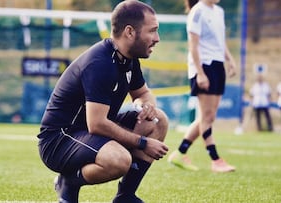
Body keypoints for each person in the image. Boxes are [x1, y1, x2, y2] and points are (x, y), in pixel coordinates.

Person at [37, 1, 169, 203]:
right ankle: (69, 183)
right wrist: (142, 143)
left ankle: (125, 196)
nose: (157, 39)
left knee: (158, 120)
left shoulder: (129, 59)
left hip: (90, 133)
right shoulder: (100, 63)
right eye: (152, 31)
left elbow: (143, 93)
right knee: (118, 160)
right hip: (60, 139)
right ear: (130, 32)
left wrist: (146, 105)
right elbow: (96, 123)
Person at [167, 0, 236, 173]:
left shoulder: (218, 11)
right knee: (207, 116)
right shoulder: (197, 12)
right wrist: (200, 73)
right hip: (204, 65)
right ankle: (215, 160)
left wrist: (230, 59)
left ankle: (180, 153)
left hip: (217, 65)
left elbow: (221, 41)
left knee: (208, 117)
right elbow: (193, 45)